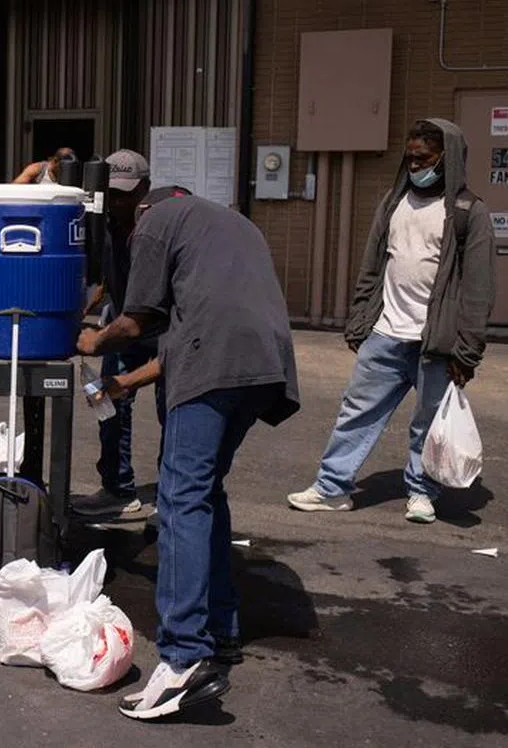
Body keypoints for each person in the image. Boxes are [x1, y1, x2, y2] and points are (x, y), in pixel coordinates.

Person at [77, 187, 299, 720]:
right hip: (264, 367)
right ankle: (220, 633)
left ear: (143, 209)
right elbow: (194, 329)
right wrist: (127, 380)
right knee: (204, 493)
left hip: (216, 366)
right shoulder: (235, 227)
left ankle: (183, 658)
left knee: (177, 500)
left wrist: (90, 341)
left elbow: (139, 320)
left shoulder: (156, 221)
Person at [287, 119, 496, 524]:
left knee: (427, 421)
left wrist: (467, 350)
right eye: (411, 158)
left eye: (425, 159)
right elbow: (372, 266)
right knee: (355, 412)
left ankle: (421, 493)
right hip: (386, 333)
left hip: (437, 341)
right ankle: (332, 488)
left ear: (447, 159)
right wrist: (360, 320)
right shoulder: (393, 201)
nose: (416, 166)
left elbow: (479, 288)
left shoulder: (469, 212)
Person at [71, 149, 160, 519]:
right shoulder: (105, 226)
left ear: (146, 189)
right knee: (104, 398)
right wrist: (93, 301)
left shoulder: (156, 229)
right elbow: (112, 275)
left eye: (127, 193)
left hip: (163, 328)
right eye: (112, 193)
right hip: (124, 324)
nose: (118, 201)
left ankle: (174, 497)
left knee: (172, 411)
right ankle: (117, 487)